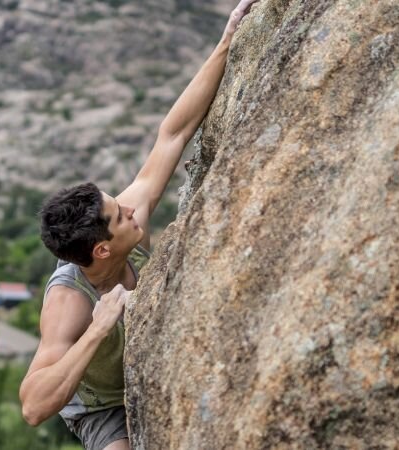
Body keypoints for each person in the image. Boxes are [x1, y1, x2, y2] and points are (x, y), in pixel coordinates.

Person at [18, 1, 262, 448]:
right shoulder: (69, 304)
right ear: (102, 250)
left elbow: (172, 134)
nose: (132, 210)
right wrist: (98, 326)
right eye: (119, 216)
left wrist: (227, 41)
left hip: (156, 363)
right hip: (102, 407)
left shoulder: (128, 219)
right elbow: (33, 407)